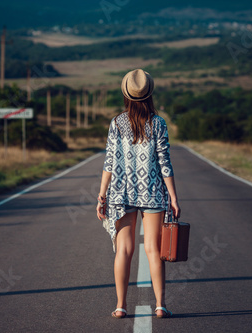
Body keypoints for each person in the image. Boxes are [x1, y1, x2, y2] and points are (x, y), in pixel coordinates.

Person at [96, 69, 181, 319]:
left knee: (123, 250)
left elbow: (109, 162)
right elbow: (165, 163)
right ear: (149, 94)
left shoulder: (116, 123)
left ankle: (121, 306)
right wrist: (173, 197)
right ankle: (160, 305)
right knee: (154, 250)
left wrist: (102, 195)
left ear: (127, 94)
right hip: (153, 192)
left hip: (121, 193)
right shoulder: (159, 123)